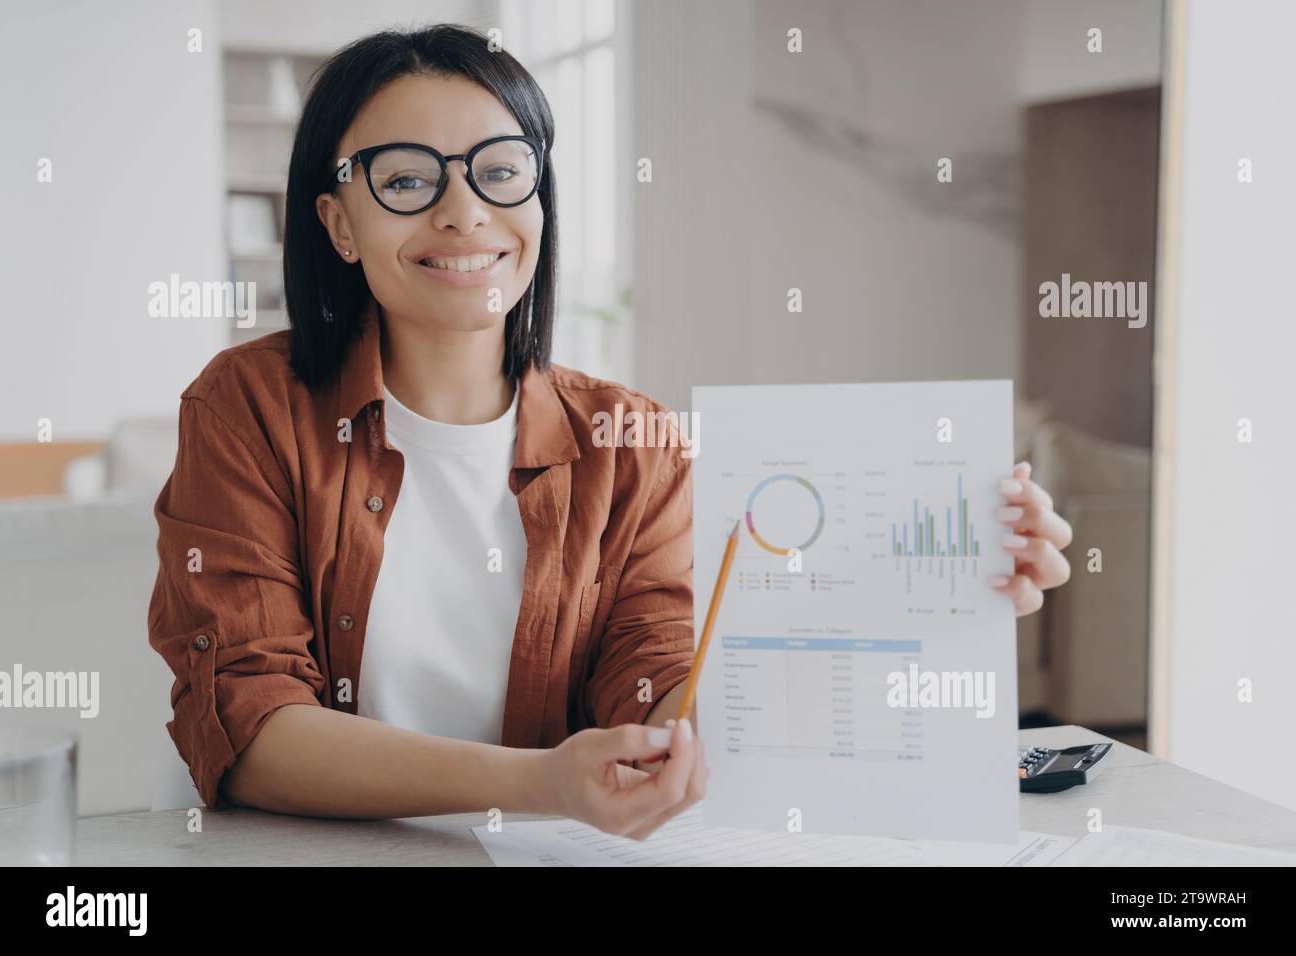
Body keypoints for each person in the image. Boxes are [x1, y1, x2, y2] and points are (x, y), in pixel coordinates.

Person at [148, 24, 1072, 842]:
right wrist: (540, 783)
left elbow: (664, 681)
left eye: (500, 171)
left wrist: (930, 605)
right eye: (404, 180)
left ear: (540, 202)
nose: (464, 210)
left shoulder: (636, 441)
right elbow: (251, 726)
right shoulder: (247, 408)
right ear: (338, 223)